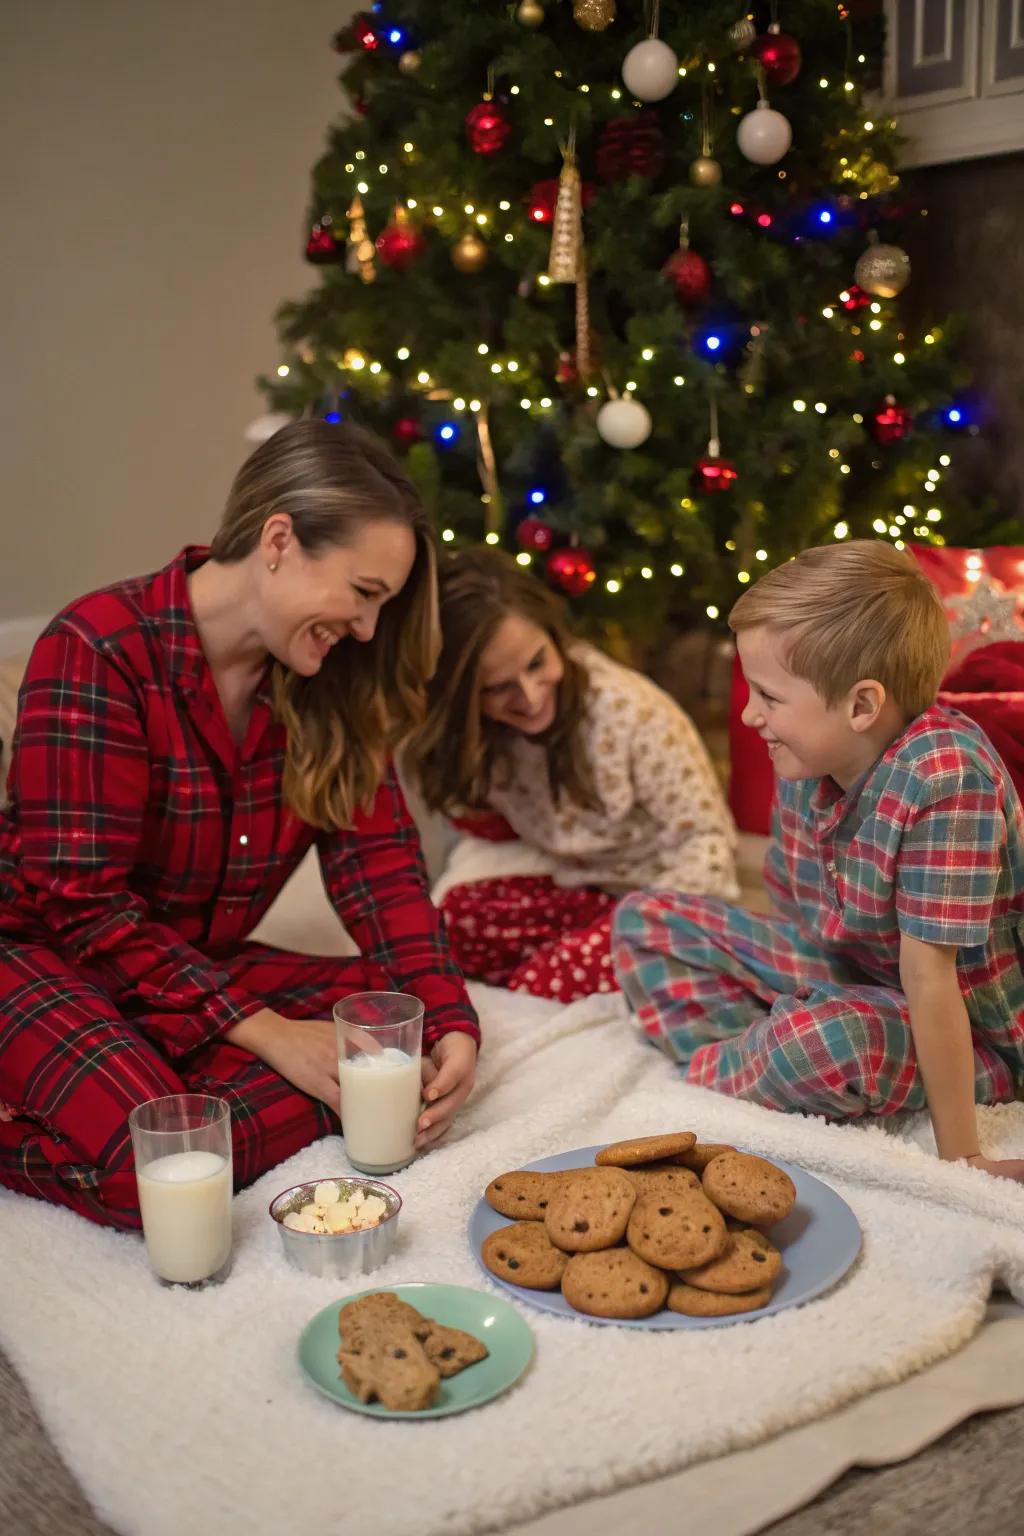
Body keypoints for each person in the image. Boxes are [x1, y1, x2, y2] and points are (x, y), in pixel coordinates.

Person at [0, 419, 479, 1230]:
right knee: (167, 1170)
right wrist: (265, 1036)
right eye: (363, 594)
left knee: (395, 1036)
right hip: (41, 951)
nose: (366, 630)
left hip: (190, 966)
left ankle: (162, 1087)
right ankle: (132, 1107)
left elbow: (383, 872)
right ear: (280, 539)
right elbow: (81, 905)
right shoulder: (98, 647)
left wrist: (448, 1017)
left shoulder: (327, 682)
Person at [613, 540, 1024, 1183]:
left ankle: (724, 1073)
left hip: (971, 1033)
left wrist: (962, 1155)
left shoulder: (947, 781)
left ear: (862, 706)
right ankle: (753, 1059)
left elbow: (930, 981)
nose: (750, 716)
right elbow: (795, 906)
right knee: (642, 920)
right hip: (851, 970)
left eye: (770, 698)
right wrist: (783, 980)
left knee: (821, 1041)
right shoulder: (806, 755)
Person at [406, 546, 739, 1003]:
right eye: (498, 688)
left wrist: (625, 931)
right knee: (447, 927)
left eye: (537, 662)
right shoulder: (483, 732)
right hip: (583, 888)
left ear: (554, 636)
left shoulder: (633, 715)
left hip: (661, 902)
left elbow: (710, 849)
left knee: (544, 983)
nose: (529, 695)